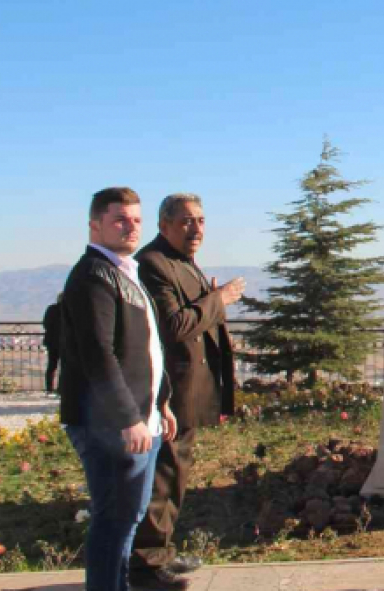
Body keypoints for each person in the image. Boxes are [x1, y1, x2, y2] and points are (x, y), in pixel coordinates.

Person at [59, 187, 177, 591]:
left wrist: (160, 404)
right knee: (114, 521)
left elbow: (144, 347)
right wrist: (128, 418)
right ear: (95, 226)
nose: (131, 227)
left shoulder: (124, 271)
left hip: (141, 420)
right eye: (120, 219)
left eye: (136, 220)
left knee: (128, 517)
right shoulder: (94, 276)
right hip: (110, 426)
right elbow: (98, 354)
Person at [130, 194, 244, 590]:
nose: (196, 229)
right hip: (170, 393)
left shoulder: (181, 261)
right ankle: (145, 565)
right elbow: (174, 326)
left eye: (200, 220)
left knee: (175, 472)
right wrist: (220, 299)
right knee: (163, 473)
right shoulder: (153, 264)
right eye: (185, 222)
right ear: (164, 226)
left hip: (188, 392)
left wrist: (209, 298)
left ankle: (161, 552)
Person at [42, 294, 63, 395]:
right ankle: (61, 388)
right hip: (64, 342)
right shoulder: (68, 310)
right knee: (64, 366)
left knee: (51, 365)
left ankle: (49, 388)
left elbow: (45, 324)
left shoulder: (51, 309)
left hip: (51, 342)